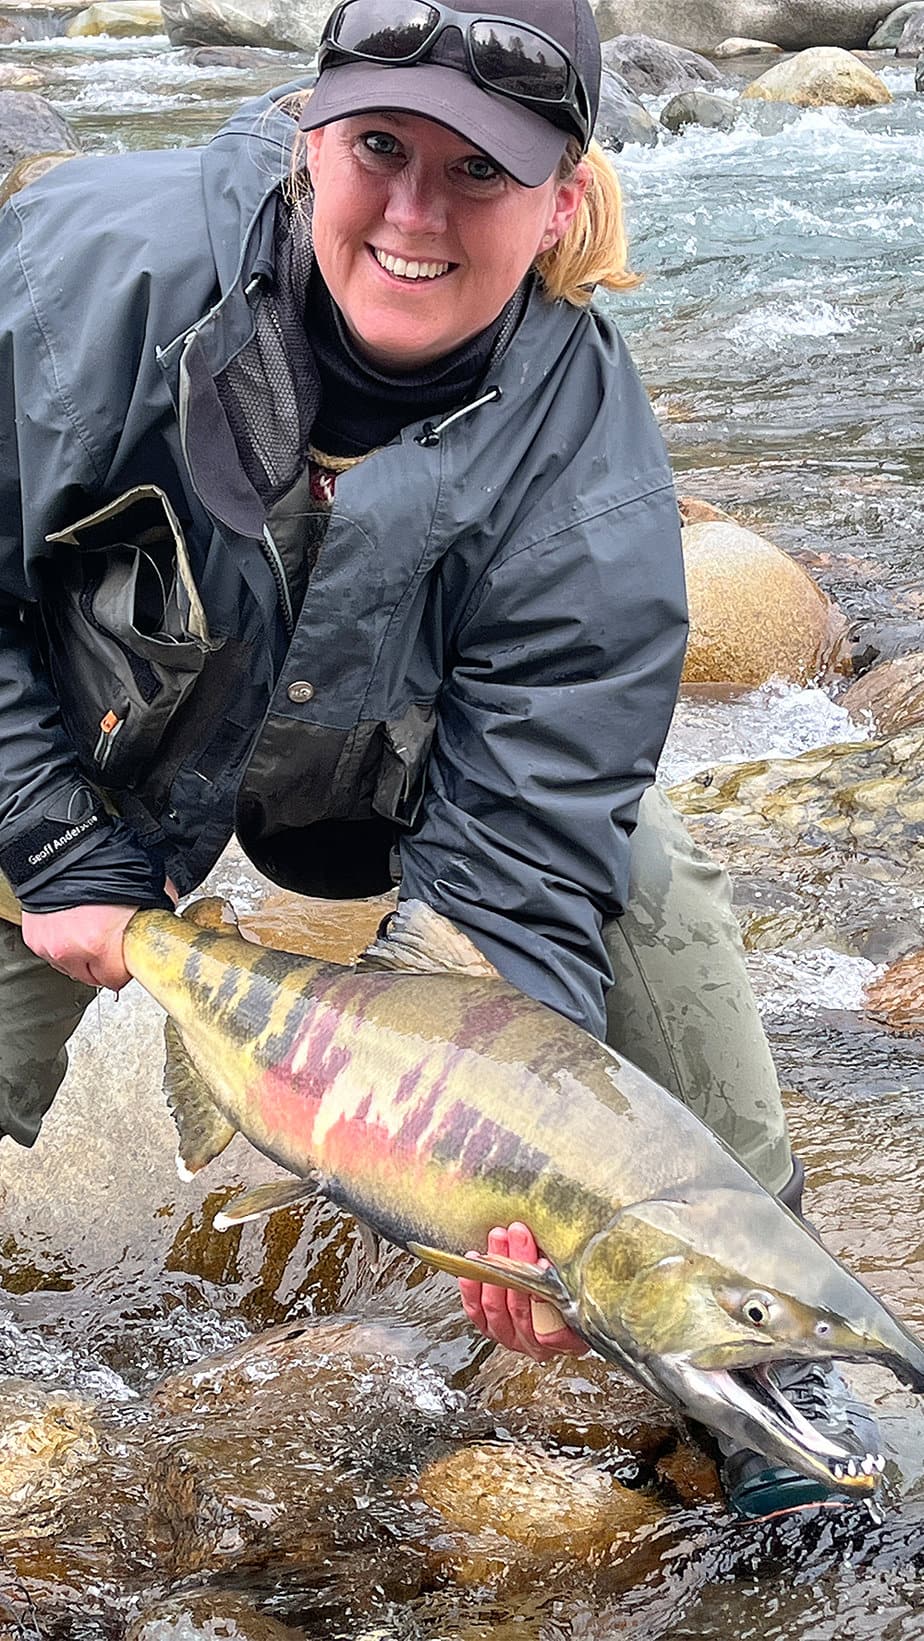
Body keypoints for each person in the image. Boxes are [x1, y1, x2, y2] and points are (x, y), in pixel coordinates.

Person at [0, 0, 875, 1518]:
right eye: (382, 149)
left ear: (563, 202)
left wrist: (515, 1165)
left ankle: (749, 1329)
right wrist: (57, 847)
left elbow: (535, 823)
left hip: (365, 779)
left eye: (480, 172)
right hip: (89, 736)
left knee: (647, 877)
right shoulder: (94, 270)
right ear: (307, 136)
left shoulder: (588, 458)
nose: (415, 212)